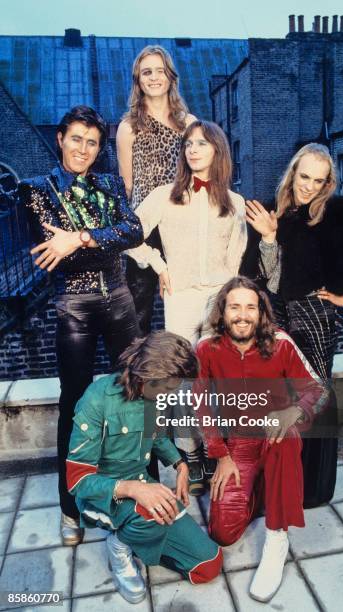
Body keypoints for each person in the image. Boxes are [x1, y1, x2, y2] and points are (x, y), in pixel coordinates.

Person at [15, 106, 143, 546]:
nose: (83, 150)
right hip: (75, 307)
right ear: (60, 139)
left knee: (139, 389)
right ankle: (71, 510)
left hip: (121, 302)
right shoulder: (36, 190)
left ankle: (145, 495)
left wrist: (79, 236)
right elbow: (54, 255)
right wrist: (99, 238)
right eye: (76, 139)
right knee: (73, 405)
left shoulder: (110, 183)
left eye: (92, 142)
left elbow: (136, 231)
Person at [246, 142, 343, 507]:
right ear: (292, 171)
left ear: (328, 183)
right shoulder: (268, 210)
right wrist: (267, 237)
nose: (309, 186)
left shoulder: (338, 213)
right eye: (304, 176)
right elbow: (260, 281)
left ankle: (311, 489)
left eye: (319, 180)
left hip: (314, 318)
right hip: (274, 318)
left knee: (312, 396)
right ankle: (278, 482)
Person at [195, 276, 327, 602]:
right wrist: (221, 456)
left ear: (260, 312)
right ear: (222, 311)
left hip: (275, 436)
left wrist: (293, 411)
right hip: (238, 443)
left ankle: (276, 538)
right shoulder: (207, 348)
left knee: (285, 436)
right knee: (223, 535)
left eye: (250, 307)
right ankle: (259, 493)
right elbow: (199, 404)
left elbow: (317, 389)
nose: (243, 315)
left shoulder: (280, 343)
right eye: (235, 307)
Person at [66, 331, 223, 604]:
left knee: (208, 565)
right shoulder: (96, 399)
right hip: (104, 497)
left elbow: (157, 436)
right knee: (150, 515)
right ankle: (120, 547)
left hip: (141, 485)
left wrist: (180, 465)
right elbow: (77, 480)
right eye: (168, 388)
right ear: (147, 375)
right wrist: (134, 489)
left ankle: (144, 535)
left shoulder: (153, 394)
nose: (171, 394)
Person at [127, 119, 247, 345]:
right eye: (188, 144)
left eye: (202, 143)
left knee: (218, 370)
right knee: (183, 369)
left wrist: (231, 297)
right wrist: (159, 265)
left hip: (220, 296)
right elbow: (127, 235)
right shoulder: (164, 196)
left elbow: (236, 258)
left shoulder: (236, 202)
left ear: (217, 150)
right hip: (180, 296)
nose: (192, 150)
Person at [117, 45, 196, 334]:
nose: (153, 77)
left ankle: (189, 373)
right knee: (139, 311)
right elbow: (127, 186)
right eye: (146, 72)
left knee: (185, 307)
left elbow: (199, 179)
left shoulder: (189, 124)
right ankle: (138, 374)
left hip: (182, 226)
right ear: (138, 80)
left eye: (159, 71)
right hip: (144, 232)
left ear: (170, 77)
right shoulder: (128, 128)